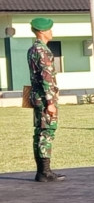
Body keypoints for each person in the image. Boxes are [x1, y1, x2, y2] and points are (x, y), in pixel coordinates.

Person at [27, 17, 64, 182]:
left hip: (36, 96)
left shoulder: (32, 49)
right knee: (46, 132)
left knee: (39, 132)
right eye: (49, 29)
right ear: (42, 32)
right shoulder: (43, 51)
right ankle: (45, 172)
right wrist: (50, 102)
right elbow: (46, 78)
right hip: (44, 98)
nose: (51, 32)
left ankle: (42, 170)